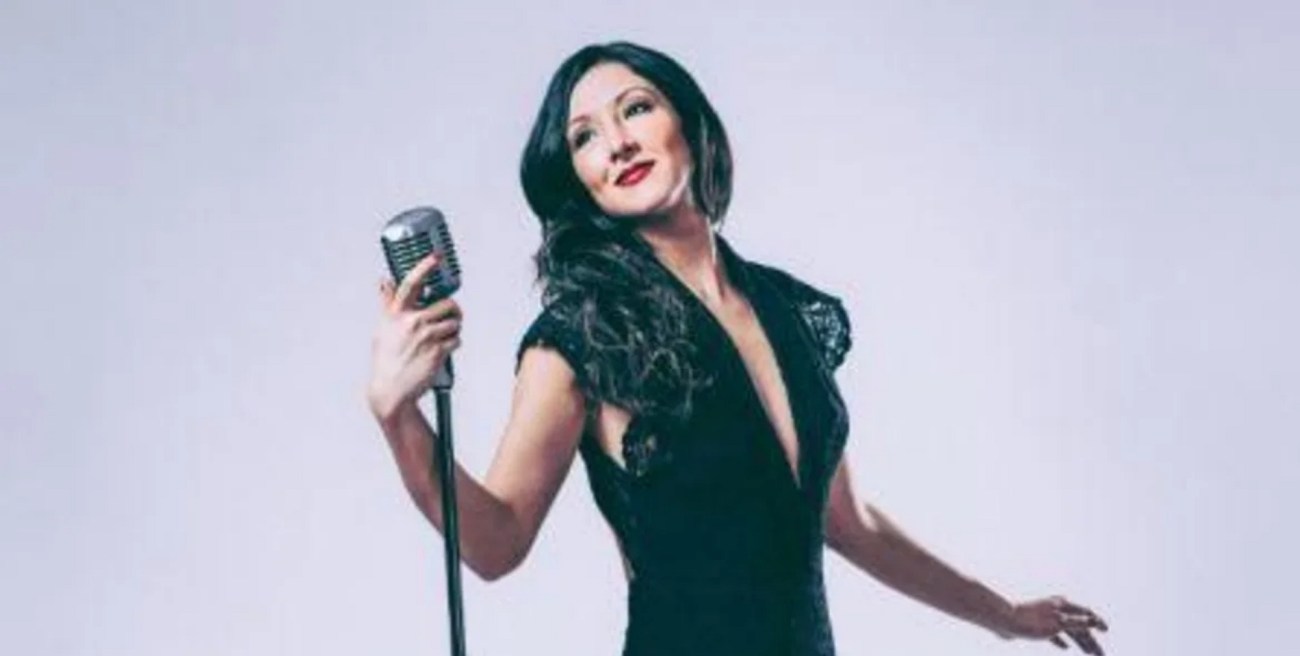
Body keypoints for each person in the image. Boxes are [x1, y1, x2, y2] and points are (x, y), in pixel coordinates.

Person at [366, 41, 1109, 656]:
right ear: (579, 182)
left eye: (636, 108)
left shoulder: (789, 310)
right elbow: (496, 542)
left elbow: (845, 519)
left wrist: (1002, 614)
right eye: (584, 137)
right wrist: (399, 416)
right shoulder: (581, 338)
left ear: (690, 125)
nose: (617, 142)